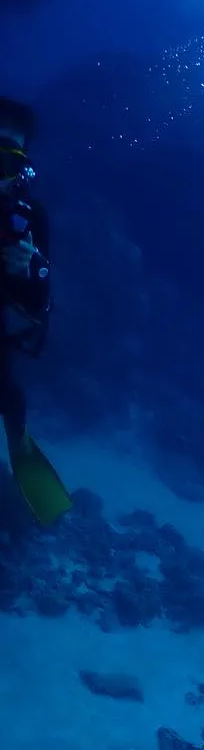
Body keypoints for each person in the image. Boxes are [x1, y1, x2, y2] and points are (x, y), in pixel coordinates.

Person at [0, 97, 69, 525]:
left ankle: (23, 458)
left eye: (8, 159)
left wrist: (27, 274)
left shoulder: (30, 219)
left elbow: (39, 314)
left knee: (9, 397)